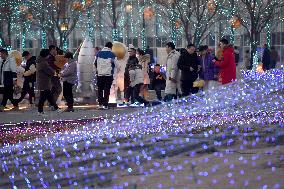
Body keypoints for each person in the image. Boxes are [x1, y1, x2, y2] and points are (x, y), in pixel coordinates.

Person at [36, 49, 59, 116]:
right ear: (45, 55)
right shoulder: (43, 63)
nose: (49, 56)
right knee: (43, 97)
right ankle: (40, 111)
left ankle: (56, 108)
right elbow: (50, 71)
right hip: (44, 82)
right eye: (48, 54)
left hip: (43, 81)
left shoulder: (40, 61)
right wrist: (54, 72)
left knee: (49, 96)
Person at [94, 42, 116, 110]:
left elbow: (95, 63)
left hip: (100, 75)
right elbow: (115, 64)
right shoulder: (112, 54)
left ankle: (100, 104)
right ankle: (105, 105)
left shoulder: (98, 53)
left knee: (100, 89)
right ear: (111, 47)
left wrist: (99, 70)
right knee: (107, 90)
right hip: (108, 75)